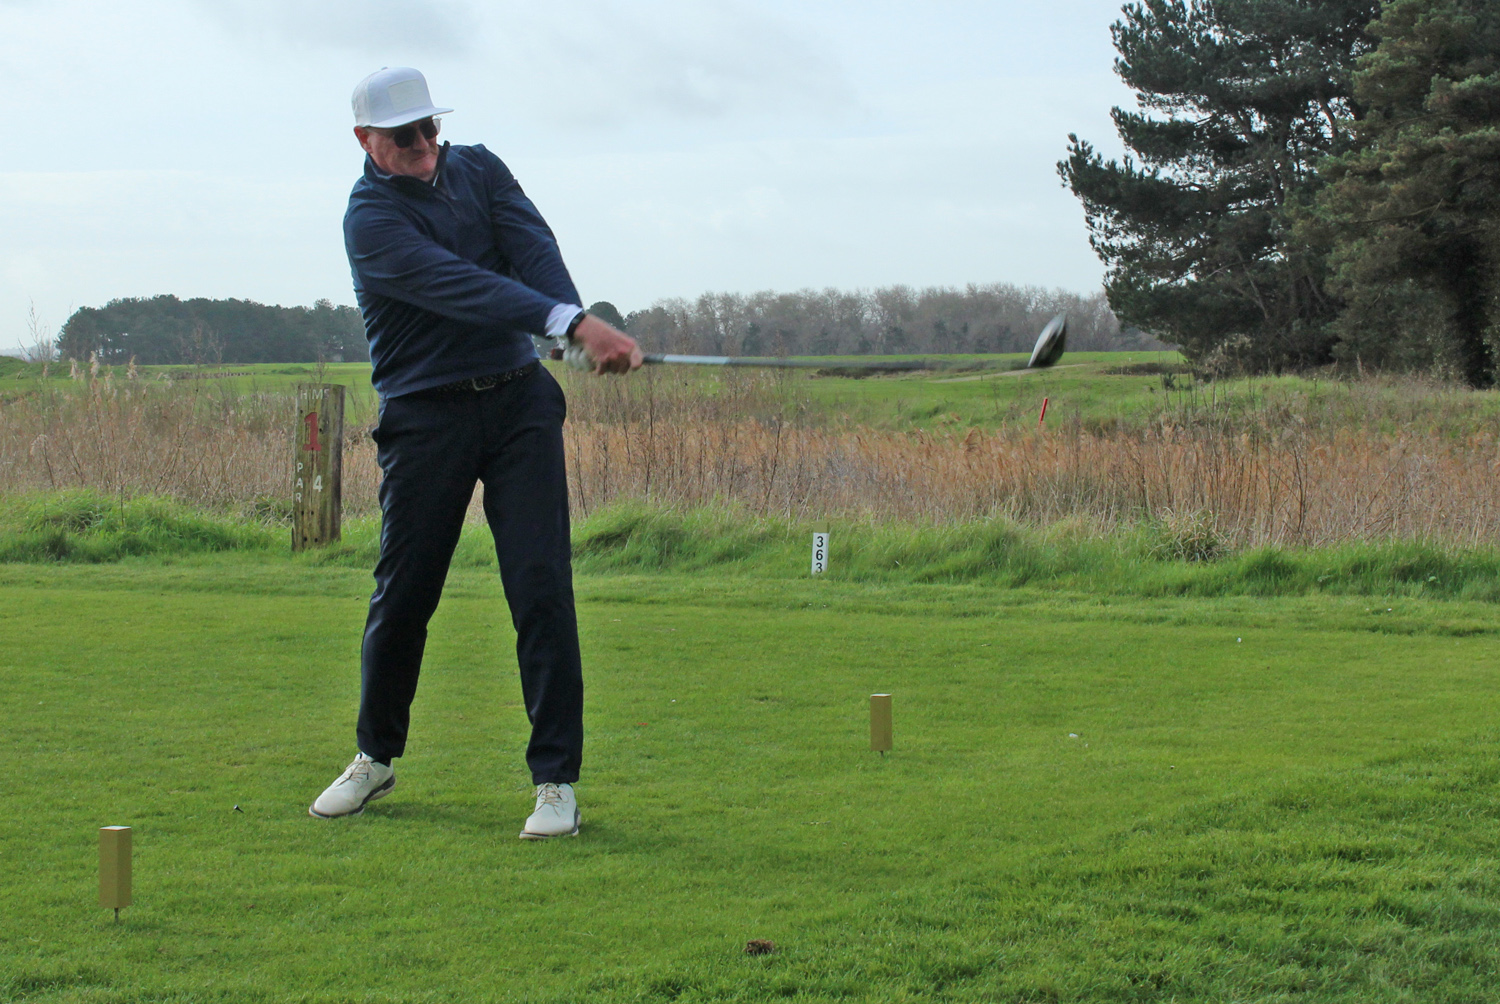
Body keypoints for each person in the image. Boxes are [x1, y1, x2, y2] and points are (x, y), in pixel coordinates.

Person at [309, 67, 641, 837]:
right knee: (406, 591)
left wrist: (568, 322)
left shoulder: (481, 169)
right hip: (426, 415)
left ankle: (555, 782)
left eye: (431, 128)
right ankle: (375, 757)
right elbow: (459, 285)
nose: (425, 145)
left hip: (519, 403)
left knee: (541, 585)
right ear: (364, 140)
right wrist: (569, 322)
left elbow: (533, 249)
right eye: (405, 136)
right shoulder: (369, 220)